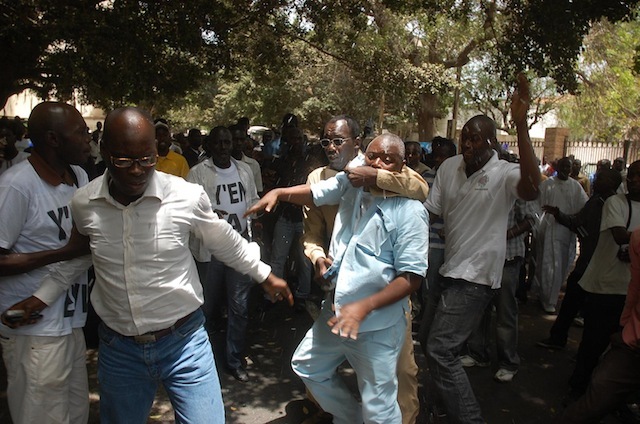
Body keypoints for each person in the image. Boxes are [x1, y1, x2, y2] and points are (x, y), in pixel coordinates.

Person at [2, 107, 292, 423]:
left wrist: (263, 273)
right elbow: (84, 256)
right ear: (106, 153)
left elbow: (223, 239)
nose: (138, 170)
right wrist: (40, 297)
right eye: (124, 161)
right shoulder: (84, 203)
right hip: (120, 352)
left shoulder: (184, 195)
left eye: (147, 159)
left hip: (185, 345)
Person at [247, 133, 429, 424]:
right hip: (336, 313)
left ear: (402, 165)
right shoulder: (352, 185)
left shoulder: (409, 211)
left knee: (380, 407)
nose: (378, 163)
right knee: (307, 366)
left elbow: (412, 278)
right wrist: (279, 193)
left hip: (375, 325)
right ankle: (351, 418)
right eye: (373, 156)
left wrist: (364, 307)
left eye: (388, 159)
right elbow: (317, 192)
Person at [418, 73, 540, 423]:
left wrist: (521, 126)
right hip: (447, 270)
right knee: (428, 341)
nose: (467, 146)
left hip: (476, 278)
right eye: (463, 140)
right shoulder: (450, 167)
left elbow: (532, 188)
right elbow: (431, 212)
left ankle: (468, 417)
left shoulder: (505, 172)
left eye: (474, 140)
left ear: (492, 143)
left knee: (441, 349)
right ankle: (441, 404)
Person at [302, 115, 429, 424]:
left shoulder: (371, 168)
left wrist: (374, 177)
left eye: (338, 140)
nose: (331, 147)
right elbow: (312, 232)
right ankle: (337, 414)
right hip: (339, 291)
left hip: (383, 296)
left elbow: (419, 187)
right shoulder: (318, 178)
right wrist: (318, 258)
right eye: (326, 141)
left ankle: (405, 419)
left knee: (399, 373)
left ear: (355, 143)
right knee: (314, 363)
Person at [0, 102, 92, 424]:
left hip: (69, 321)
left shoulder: (78, 176)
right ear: (53, 139)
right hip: (32, 330)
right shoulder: (16, 186)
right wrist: (65, 252)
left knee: (76, 414)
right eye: (80, 132)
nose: (88, 138)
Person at [187, 126, 260, 383]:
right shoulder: (197, 173)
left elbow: (252, 200)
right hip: (211, 251)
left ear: (233, 144)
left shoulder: (244, 170)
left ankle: (234, 359)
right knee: (205, 307)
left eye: (227, 142)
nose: (222, 147)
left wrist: (255, 217)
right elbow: (190, 212)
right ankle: (199, 362)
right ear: (210, 145)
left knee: (239, 308)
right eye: (217, 143)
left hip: (239, 247)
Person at [566, 160, 640, 400]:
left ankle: (614, 397)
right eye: (632, 176)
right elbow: (619, 235)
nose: (634, 181)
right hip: (606, 287)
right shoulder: (616, 203)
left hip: (632, 292)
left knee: (624, 352)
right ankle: (578, 391)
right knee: (592, 344)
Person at [558, 227, 640, 423]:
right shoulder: (638, 239)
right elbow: (635, 286)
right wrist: (624, 326)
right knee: (596, 396)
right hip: (632, 343)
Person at [537, 168, 622, 350]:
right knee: (572, 304)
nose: (597, 180)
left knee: (587, 310)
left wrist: (578, 229)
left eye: (602, 177)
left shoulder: (611, 204)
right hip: (590, 264)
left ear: (612, 183)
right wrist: (560, 215)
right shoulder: (598, 201)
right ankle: (560, 338)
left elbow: (582, 225)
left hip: (597, 266)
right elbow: (579, 224)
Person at [461, 197, 537, 383]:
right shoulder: (484, 181)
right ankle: (478, 353)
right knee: (479, 308)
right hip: (482, 256)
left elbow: (531, 218)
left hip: (507, 258)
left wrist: (506, 234)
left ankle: (508, 362)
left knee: (505, 311)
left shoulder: (515, 183)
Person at [535, 157, 588, 313]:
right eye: (563, 166)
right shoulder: (547, 185)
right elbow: (537, 206)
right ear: (557, 167)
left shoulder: (576, 187)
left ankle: (550, 296)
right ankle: (547, 299)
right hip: (548, 230)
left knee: (560, 266)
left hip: (565, 232)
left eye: (568, 167)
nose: (566, 170)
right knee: (547, 265)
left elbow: (583, 208)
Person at [230, 124, 263, 195]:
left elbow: (258, 191)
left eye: (241, 139)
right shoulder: (218, 165)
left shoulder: (253, 164)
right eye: (235, 139)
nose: (238, 143)